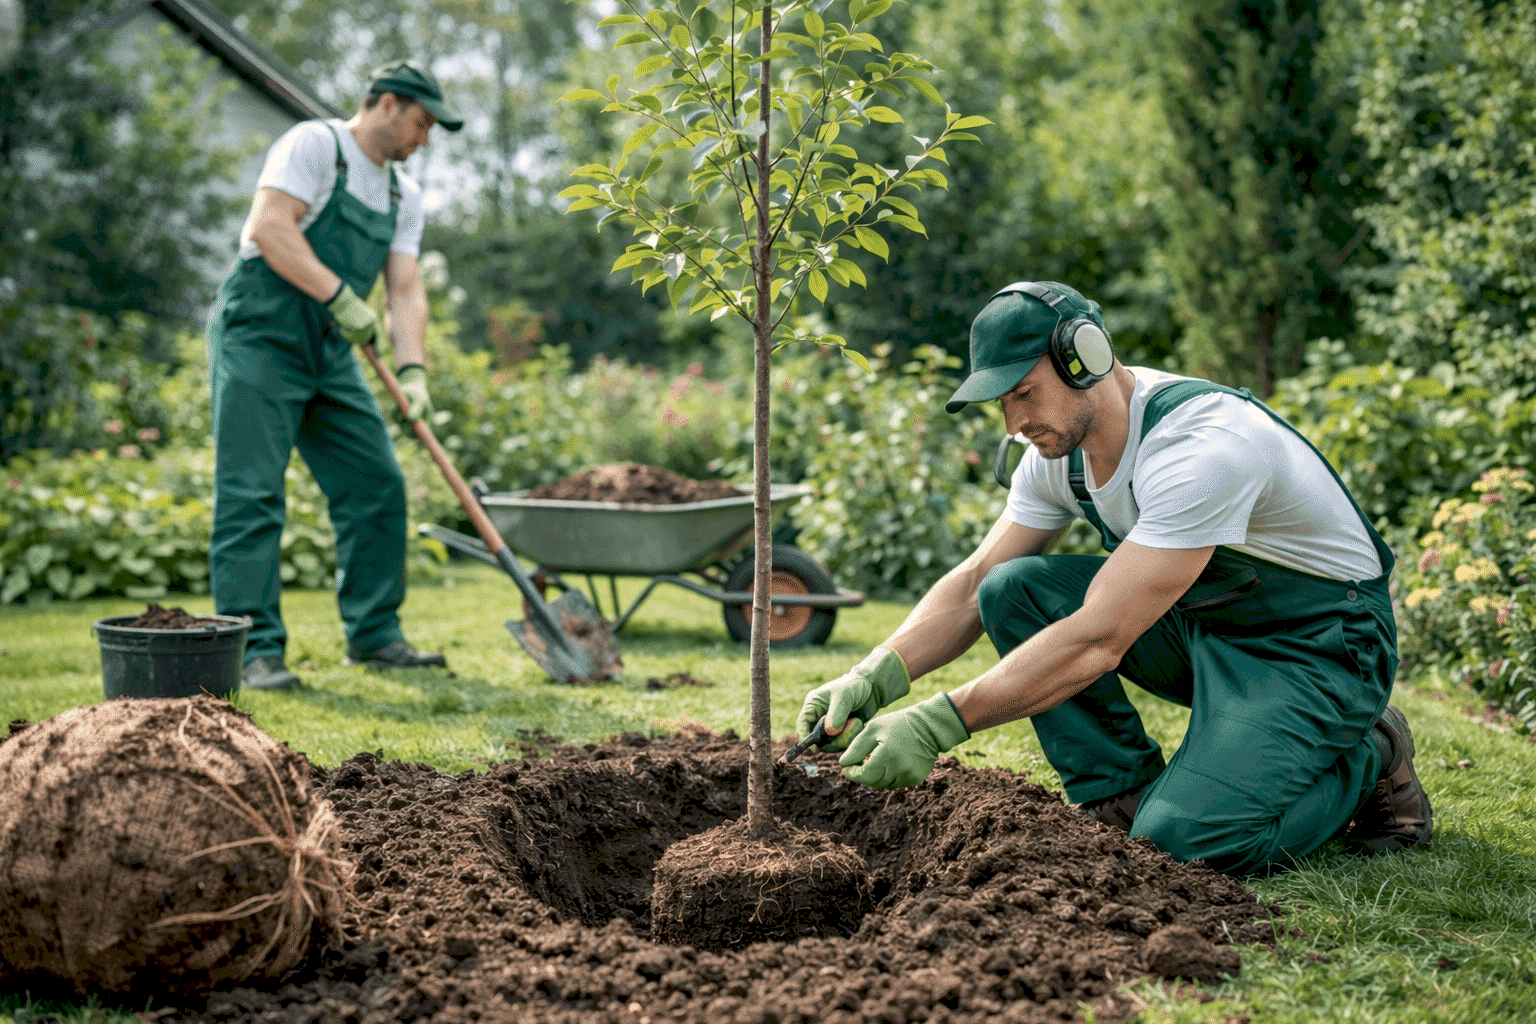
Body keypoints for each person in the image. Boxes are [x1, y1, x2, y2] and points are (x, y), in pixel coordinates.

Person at [796, 280, 1432, 875]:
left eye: (1023, 393)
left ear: (1084, 358)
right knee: (1011, 588)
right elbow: (973, 583)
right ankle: (1118, 796)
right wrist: (876, 670)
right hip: (1204, 625)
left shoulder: (1200, 448)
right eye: (1000, 404)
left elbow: (1100, 638)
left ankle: (1370, 751)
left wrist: (939, 722)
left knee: (1186, 845)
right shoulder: (1057, 455)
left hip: (1315, 646)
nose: (1012, 424)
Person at [206, 61, 463, 691]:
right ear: (386, 103)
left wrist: (414, 370)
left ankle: (375, 635)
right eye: (420, 123)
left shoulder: (404, 194)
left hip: (329, 350)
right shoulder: (314, 145)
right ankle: (255, 648)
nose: (423, 140)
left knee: (377, 484)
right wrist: (340, 296)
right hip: (260, 336)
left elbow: (405, 289)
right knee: (253, 492)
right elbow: (269, 227)